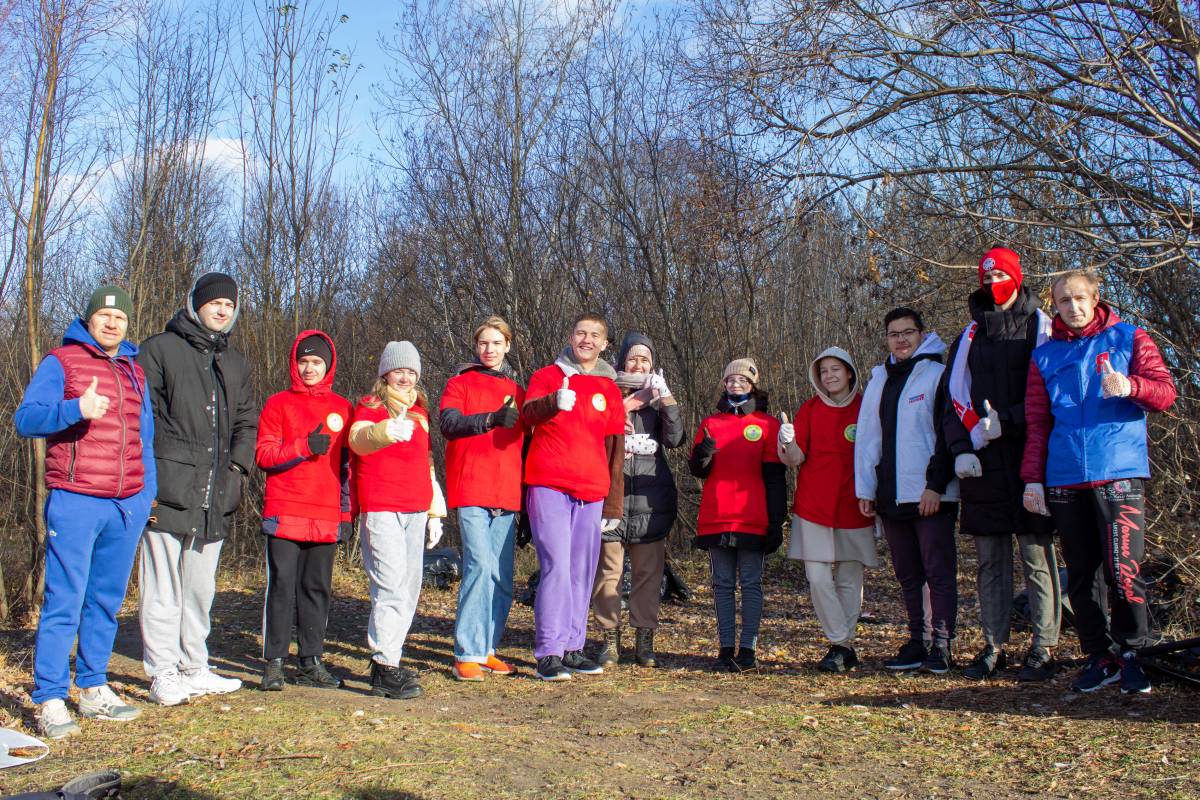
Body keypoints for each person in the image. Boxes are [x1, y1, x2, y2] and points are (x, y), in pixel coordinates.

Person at [1021, 270, 1176, 694]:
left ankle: (1134, 655)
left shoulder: (1129, 338)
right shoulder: (1045, 356)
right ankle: (1099, 656)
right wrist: (1032, 479)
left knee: (1124, 571)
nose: (1072, 307)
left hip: (1118, 471)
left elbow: (1166, 393)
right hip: (1064, 478)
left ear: (1095, 298)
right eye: (1063, 301)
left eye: (1079, 298)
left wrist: (1132, 385)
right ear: (1055, 307)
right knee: (1081, 574)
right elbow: (1037, 422)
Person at [14, 286, 155, 739]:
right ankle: (51, 697)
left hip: (125, 504)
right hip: (75, 499)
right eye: (104, 315)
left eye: (120, 318)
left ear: (128, 325)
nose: (112, 323)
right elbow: (26, 419)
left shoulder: (135, 370)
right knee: (64, 600)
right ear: (90, 319)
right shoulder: (61, 362)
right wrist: (77, 408)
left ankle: (93, 688)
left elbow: (144, 440)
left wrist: (144, 497)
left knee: (106, 602)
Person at [138, 272, 256, 706]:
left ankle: (194, 666)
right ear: (195, 304)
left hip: (216, 492)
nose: (222, 311)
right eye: (214, 303)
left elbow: (246, 422)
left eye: (230, 305)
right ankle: (163, 672)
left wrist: (239, 471)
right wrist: (148, 478)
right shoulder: (158, 350)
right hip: (167, 488)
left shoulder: (235, 362)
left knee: (199, 588)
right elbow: (142, 420)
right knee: (162, 587)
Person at [944, 247, 1061, 682]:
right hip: (983, 463)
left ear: (1017, 278)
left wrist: (1007, 422)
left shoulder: (1043, 328)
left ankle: (1044, 645)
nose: (995, 287)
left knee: (1037, 556)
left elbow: (1049, 393)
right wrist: (963, 447)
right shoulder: (969, 335)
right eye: (987, 280)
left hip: (1031, 458)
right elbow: (950, 401)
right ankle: (995, 644)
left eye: (1002, 278)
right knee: (990, 561)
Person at [520, 314, 625, 682]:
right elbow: (526, 415)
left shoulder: (609, 389)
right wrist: (552, 402)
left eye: (594, 335)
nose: (587, 339)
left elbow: (615, 446)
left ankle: (572, 647)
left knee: (582, 570)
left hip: (592, 489)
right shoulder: (547, 376)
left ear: (604, 344)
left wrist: (614, 503)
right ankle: (548, 651)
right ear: (570, 336)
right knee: (557, 565)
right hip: (549, 483)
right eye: (581, 332)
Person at [855, 308, 959, 673]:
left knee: (938, 571)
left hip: (930, 495)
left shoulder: (937, 374)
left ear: (921, 334)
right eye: (893, 334)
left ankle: (942, 643)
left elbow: (947, 436)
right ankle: (917, 639)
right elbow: (870, 439)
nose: (900, 340)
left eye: (908, 332)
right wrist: (866, 488)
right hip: (890, 494)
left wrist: (935, 486)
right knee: (908, 574)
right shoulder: (880, 379)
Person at [255, 330, 353, 691]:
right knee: (281, 587)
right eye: (304, 361)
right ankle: (275, 663)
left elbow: (347, 468)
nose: (309, 368)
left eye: (316, 362)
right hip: (285, 510)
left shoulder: (343, 408)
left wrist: (345, 515)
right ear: (294, 363)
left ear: (328, 366)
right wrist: (301, 446)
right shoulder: (278, 404)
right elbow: (264, 455)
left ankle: (311, 661)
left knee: (316, 588)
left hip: (326, 513)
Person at [349, 341, 447, 699]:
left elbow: (428, 464)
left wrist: (436, 511)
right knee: (389, 586)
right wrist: (384, 432)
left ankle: (391, 657)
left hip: (415, 508)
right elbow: (357, 441)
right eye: (398, 370)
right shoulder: (370, 407)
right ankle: (384, 664)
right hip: (381, 506)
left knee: (409, 588)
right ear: (385, 373)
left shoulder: (421, 412)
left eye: (411, 371)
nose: (405, 377)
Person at [778, 347, 877, 673]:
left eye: (836, 369)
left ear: (849, 372)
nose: (830, 376)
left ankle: (841, 647)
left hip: (855, 505)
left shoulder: (867, 407)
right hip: (813, 506)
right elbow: (796, 459)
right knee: (818, 577)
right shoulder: (809, 409)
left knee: (850, 579)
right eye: (824, 372)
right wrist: (787, 441)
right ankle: (841, 640)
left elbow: (878, 451)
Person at [591, 333, 685, 669]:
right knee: (608, 574)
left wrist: (667, 398)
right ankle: (609, 641)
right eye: (633, 358)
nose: (638, 364)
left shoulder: (660, 403)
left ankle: (644, 641)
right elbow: (589, 435)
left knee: (648, 573)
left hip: (651, 500)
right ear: (621, 362)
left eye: (645, 360)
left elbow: (675, 439)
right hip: (610, 498)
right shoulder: (605, 396)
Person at [440, 316, 525, 682]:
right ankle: (467, 652)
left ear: (507, 346)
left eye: (496, 343)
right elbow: (449, 423)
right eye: (483, 343)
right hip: (471, 486)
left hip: (506, 490)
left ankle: (488, 647)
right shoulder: (460, 382)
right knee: (478, 566)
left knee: (503, 575)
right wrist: (490, 419)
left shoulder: (518, 390)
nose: (488, 350)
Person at [689, 358, 786, 672]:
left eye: (742, 380)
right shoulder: (710, 423)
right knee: (722, 585)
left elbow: (774, 477)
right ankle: (726, 647)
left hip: (753, 516)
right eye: (730, 379)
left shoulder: (767, 425)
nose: (735, 384)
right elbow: (698, 470)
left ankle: (748, 650)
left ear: (753, 385)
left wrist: (776, 520)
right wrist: (703, 455)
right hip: (716, 514)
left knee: (752, 584)